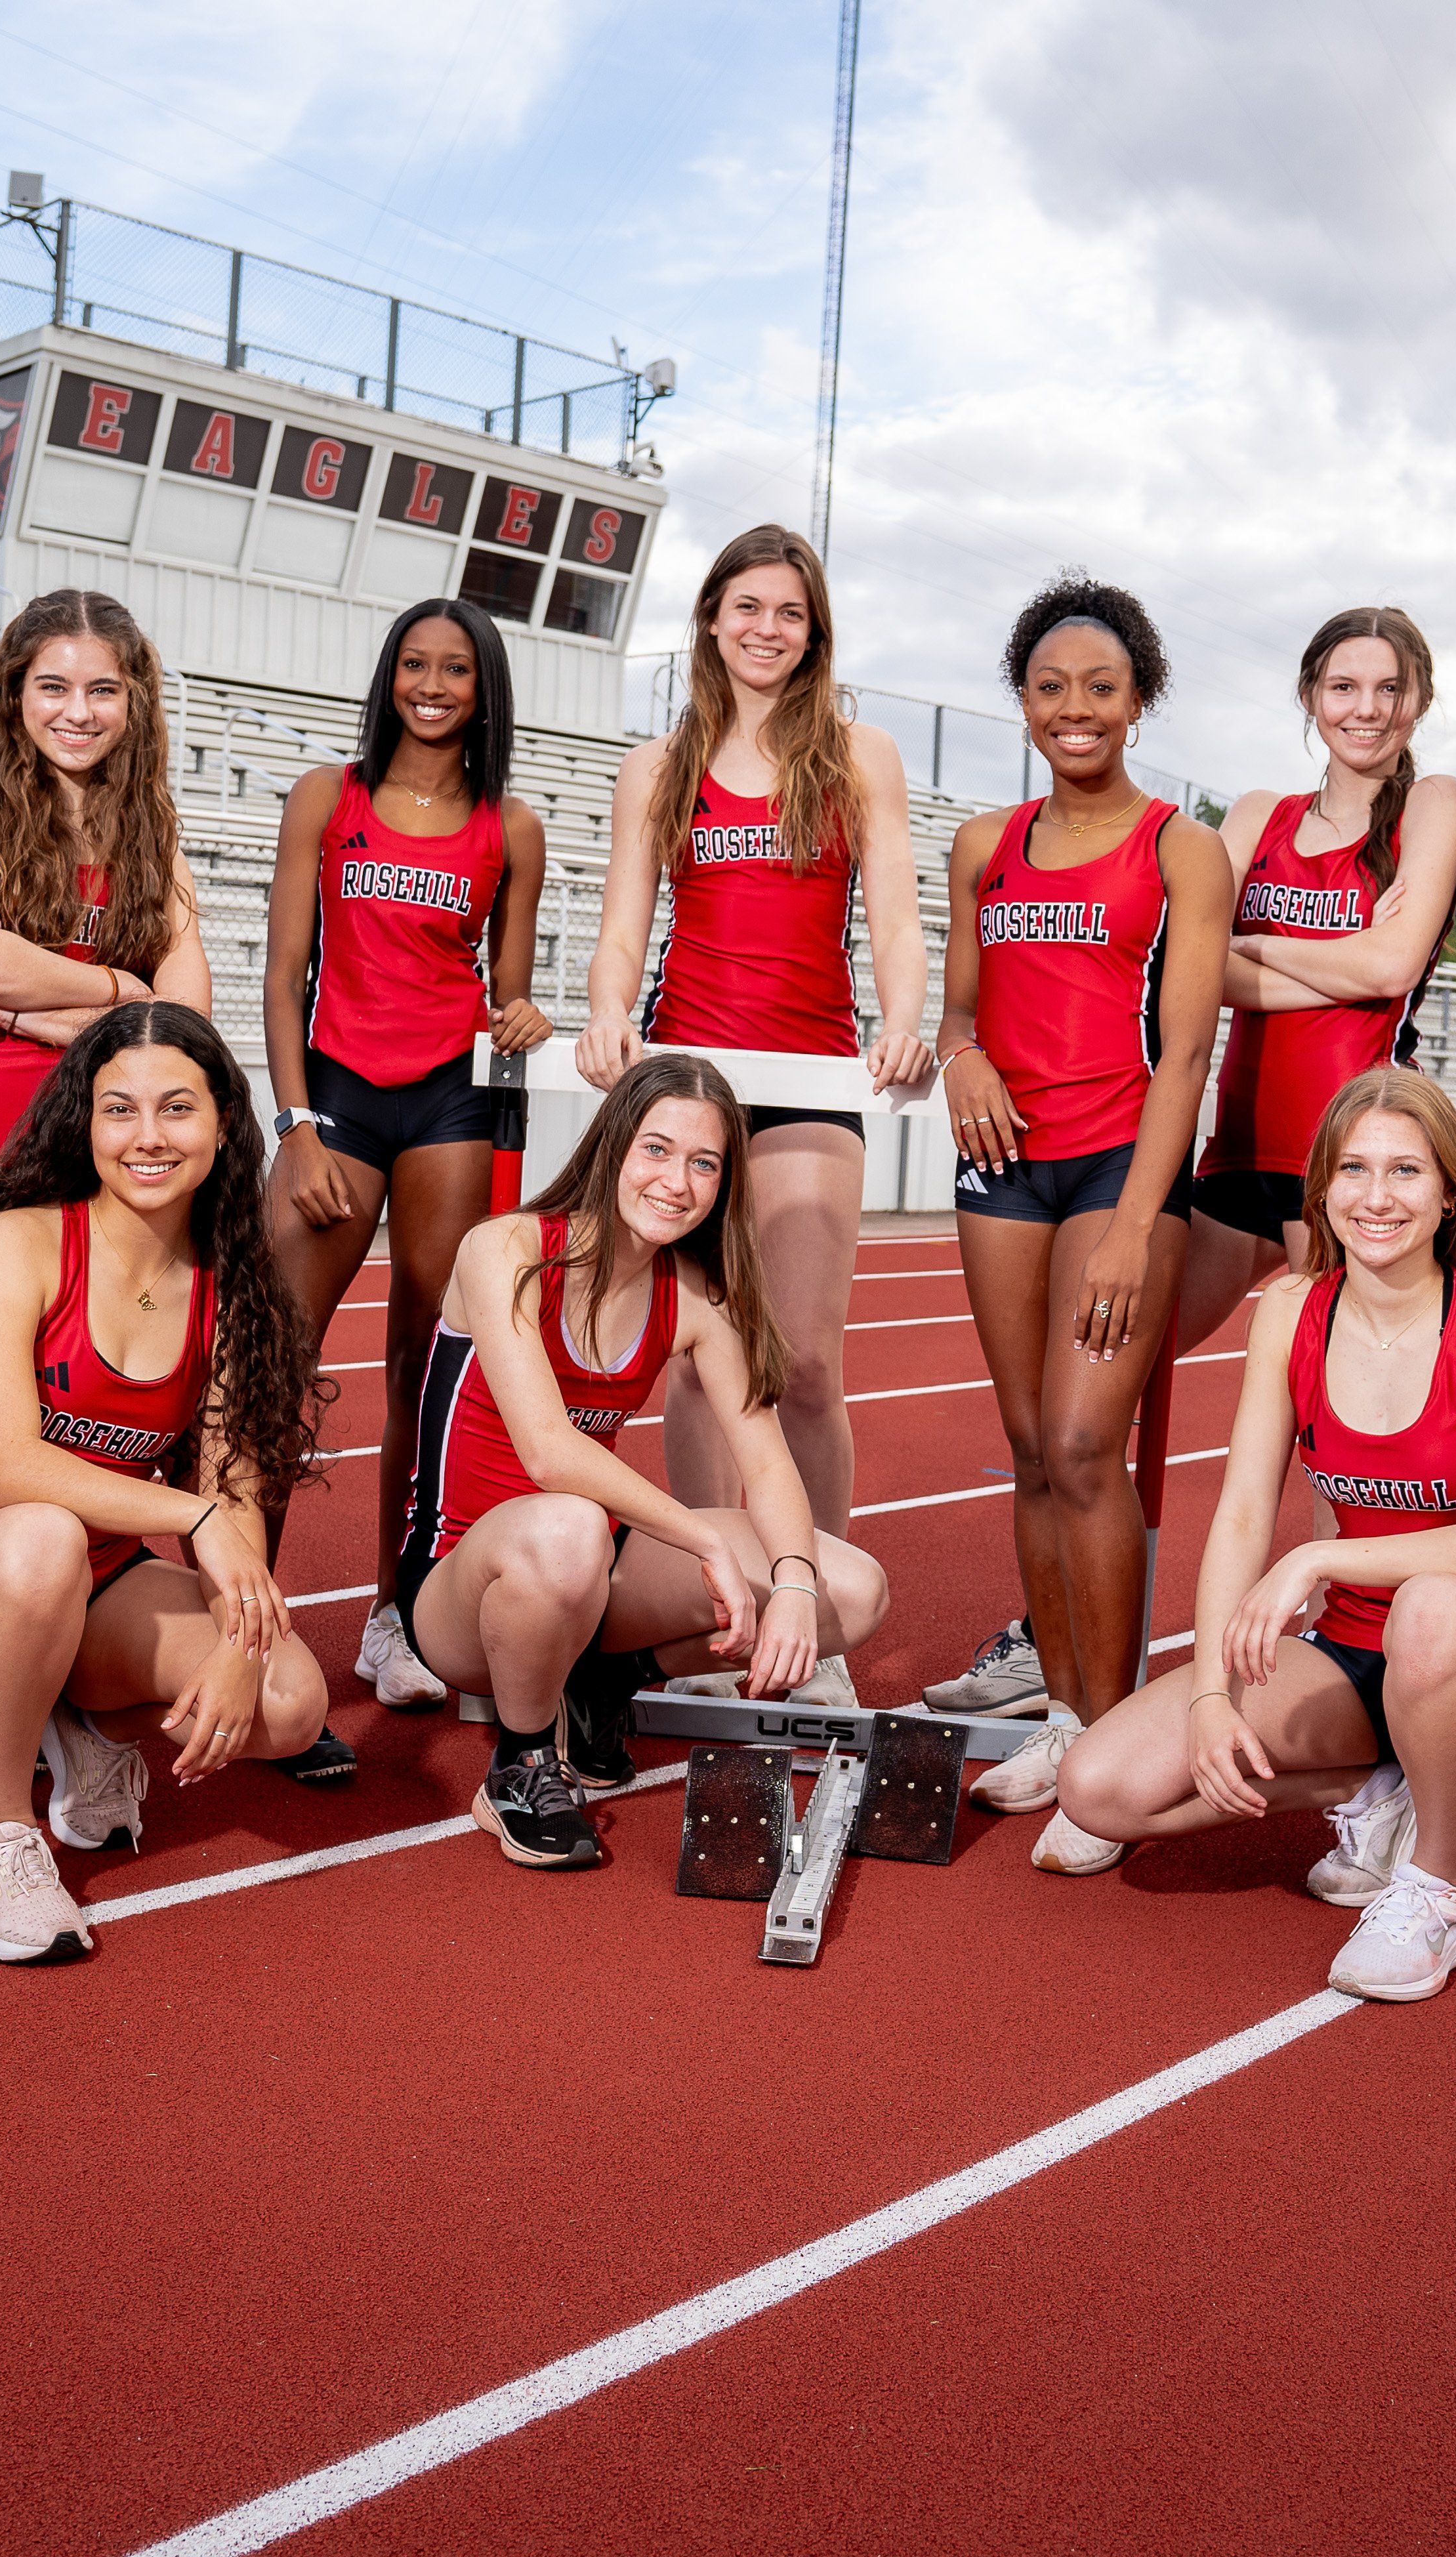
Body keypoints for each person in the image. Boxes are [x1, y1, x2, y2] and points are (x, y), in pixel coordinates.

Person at [930, 605, 1456, 1744]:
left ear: (1415, 700)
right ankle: (1063, 1656)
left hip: (1350, 1168)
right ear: (1309, 697)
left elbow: (1380, 962)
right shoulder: (1255, 818)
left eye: (1386, 688)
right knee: (1067, 1427)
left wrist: (1239, 953)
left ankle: (1407, 1673)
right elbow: (1185, 959)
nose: (1364, 708)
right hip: (1233, 1155)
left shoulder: (1434, 804)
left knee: (1363, 1439)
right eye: (1341, 686)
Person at [1045, 1071, 1456, 2002]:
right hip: (1348, 1657)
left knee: (1433, 1610)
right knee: (1098, 1790)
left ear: (1450, 1191)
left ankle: (1439, 1886)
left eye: (1407, 1172)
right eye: (1354, 1170)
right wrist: (1212, 1692)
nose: (1378, 1197)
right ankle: (1373, 1788)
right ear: (1322, 1188)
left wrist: (1322, 1553)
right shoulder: (1290, 1310)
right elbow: (1244, 1513)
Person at [0, 1002, 329, 1964]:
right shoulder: (19, 1239)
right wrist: (190, 1514)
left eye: (176, 1109)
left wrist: (241, 1641)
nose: (148, 1137)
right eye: (119, 1110)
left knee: (290, 1701)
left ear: (220, 1124)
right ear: (83, 1121)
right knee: (43, 1536)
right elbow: (7, 1465)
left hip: (100, 1585)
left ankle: (70, 1718)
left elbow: (235, 1486)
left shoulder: (233, 1279)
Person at [581, 523, 925, 1707]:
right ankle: (707, 1608)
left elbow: (893, 916)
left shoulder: (857, 753)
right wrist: (608, 1011)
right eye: (747, 608)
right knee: (688, 1368)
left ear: (813, 631)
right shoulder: (658, 764)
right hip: (689, 1080)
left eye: (790, 612)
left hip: (814, 1077)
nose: (766, 630)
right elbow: (626, 921)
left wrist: (905, 1014)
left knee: (808, 1366)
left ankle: (813, 1615)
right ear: (712, 620)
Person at [401, 1051, 892, 1868]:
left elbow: (768, 1466)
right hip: (463, 1576)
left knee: (854, 1591)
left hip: (589, 1560)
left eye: (705, 1163)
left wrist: (797, 1587)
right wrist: (705, 1545)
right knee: (568, 1527)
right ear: (614, 1147)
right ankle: (523, 1764)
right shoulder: (507, 1249)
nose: (678, 1181)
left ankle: (600, 1679)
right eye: (657, 1150)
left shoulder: (694, 1295)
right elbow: (551, 1453)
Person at [934, 576, 1235, 1816]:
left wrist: (1131, 1227)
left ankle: (1110, 1737)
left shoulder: (1181, 847)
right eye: (1052, 688)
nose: (1075, 709)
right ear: (1022, 701)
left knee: (1081, 1445)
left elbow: (1189, 1052)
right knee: (1026, 1449)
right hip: (1005, 1170)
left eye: (1100, 689)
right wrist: (960, 1055)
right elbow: (959, 1006)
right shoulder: (980, 845)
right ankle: (1064, 1719)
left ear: (1139, 700)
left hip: (1120, 1164)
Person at [261, 597, 551, 1725]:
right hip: (334, 1096)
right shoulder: (325, 800)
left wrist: (522, 1014)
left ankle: (395, 1615)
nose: (433, 685)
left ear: (484, 691)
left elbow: (507, 993)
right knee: (275, 1364)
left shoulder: (507, 828)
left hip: (450, 1106)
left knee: (427, 1377)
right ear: (389, 678)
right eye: (415, 665)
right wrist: (294, 1126)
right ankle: (245, 1606)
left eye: (457, 670)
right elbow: (286, 974)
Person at [0, 589, 211, 1277]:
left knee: (94, 1366)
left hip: (117, 1125)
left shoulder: (156, 843)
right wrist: (119, 991)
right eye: (53, 687)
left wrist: (25, 1011)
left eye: (103, 690)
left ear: (133, 705)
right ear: (16, 694)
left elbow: (186, 1020)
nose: (78, 712)